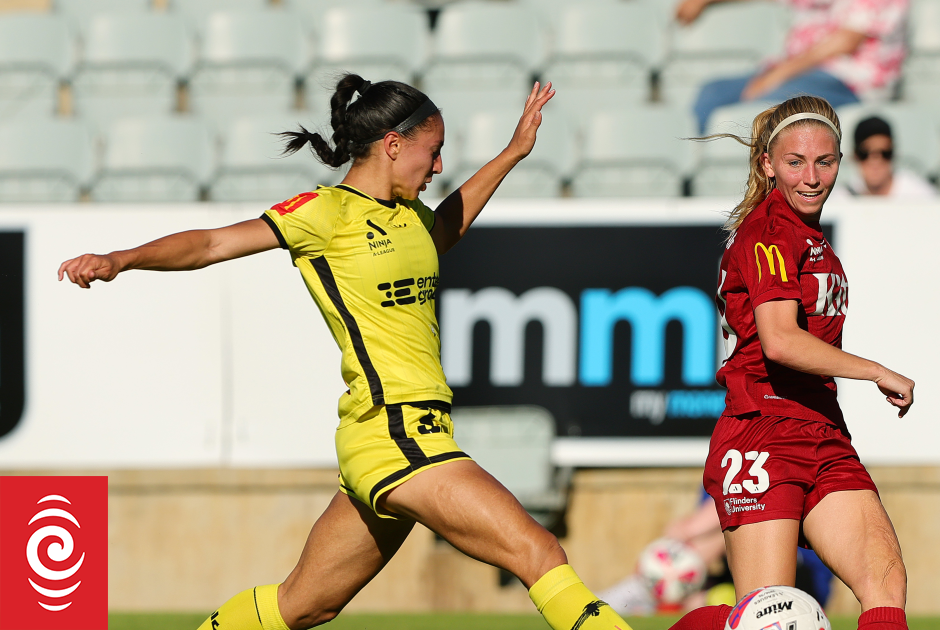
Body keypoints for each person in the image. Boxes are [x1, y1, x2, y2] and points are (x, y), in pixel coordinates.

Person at [58, 75, 634, 630]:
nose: (437, 166)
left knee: (302, 607)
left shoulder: (410, 218)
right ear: (392, 144)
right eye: (432, 152)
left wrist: (512, 153)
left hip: (398, 438)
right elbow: (211, 243)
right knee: (538, 550)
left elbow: (445, 228)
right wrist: (121, 259)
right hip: (395, 435)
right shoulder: (323, 213)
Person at [671, 94, 915, 630]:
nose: (811, 176)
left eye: (824, 162)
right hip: (762, 432)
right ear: (767, 164)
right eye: (795, 162)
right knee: (767, 616)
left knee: (885, 583)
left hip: (823, 432)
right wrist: (875, 370)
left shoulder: (812, 240)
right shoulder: (769, 232)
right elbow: (779, 341)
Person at [679, 0, 909, 133]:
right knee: (712, 93)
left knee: (770, 106)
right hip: (795, 72)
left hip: (848, 81)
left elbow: (845, 42)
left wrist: (775, 76)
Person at [601, 491, 834, 615]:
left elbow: (749, 505)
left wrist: (686, 531)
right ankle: (653, 592)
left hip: (797, 572)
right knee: (698, 603)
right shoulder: (718, 469)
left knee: (732, 527)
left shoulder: (763, 453)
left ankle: (645, 589)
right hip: (739, 581)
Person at [838, 115, 937, 198]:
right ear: (855, 156)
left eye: (885, 153)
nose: (875, 161)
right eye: (865, 153)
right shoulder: (842, 198)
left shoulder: (920, 195)